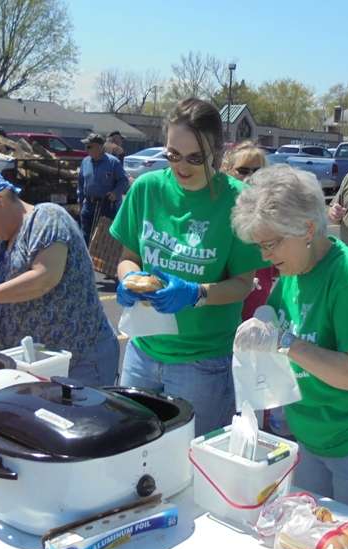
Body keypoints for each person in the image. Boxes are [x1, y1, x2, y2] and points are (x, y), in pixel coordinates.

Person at [231, 164, 348, 520]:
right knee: (312, 539)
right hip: (314, 439)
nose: (265, 256)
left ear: (307, 229)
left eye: (271, 243)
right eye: (260, 245)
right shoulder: (291, 276)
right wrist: (262, 327)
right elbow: (282, 334)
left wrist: (285, 341)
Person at [110, 98, 264, 436]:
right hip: (143, 349)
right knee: (136, 449)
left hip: (202, 362)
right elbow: (127, 256)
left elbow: (243, 283)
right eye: (172, 155)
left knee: (191, 462)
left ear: (219, 152)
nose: (181, 167)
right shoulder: (147, 189)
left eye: (195, 158)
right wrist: (128, 278)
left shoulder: (237, 202)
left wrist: (197, 293)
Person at [0, 173, 119, 386]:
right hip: (41, 366)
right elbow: (25, 289)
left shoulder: (47, 217)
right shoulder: (7, 241)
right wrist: (0, 306)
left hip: (79, 361)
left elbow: (44, 277)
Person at [220, 140, 276, 321]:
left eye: (258, 171)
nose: (250, 177)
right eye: (243, 171)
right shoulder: (217, 214)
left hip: (256, 316)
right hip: (220, 314)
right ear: (227, 170)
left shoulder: (270, 216)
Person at [77, 132, 129, 245]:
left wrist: (115, 193)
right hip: (88, 205)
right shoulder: (85, 162)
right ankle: (86, 260)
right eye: (86, 146)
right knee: (85, 236)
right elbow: (81, 183)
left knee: (103, 239)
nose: (86, 149)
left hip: (106, 206)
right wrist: (80, 203)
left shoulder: (113, 162)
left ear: (99, 147)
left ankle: (99, 262)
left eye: (89, 146)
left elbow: (123, 180)